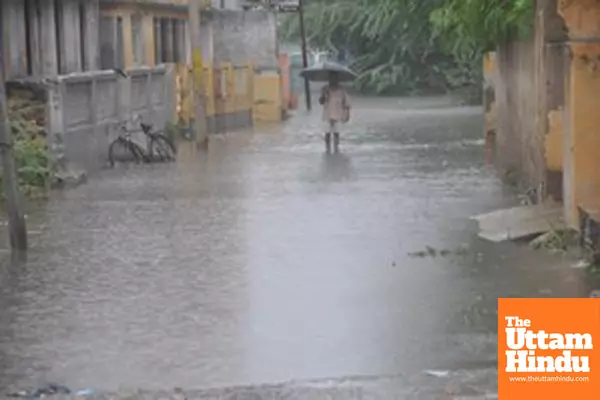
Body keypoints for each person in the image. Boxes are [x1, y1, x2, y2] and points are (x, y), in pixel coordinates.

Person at [319, 72, 351, 151]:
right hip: (327, 115)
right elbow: (321, 102)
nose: (332, 80)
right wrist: (324, 95)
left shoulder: (342, 90)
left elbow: (347, 103)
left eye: (334, 79)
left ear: (337, 80)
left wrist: (347, 115)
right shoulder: (325, 89)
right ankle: (328, 150)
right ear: (329, 79)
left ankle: (336, 149)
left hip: (338, 115)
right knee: (327, 134)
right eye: (331, 79)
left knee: (337, 134)